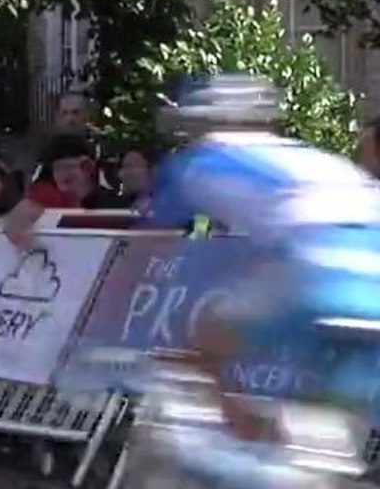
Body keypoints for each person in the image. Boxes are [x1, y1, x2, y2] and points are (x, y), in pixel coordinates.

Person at [147, 73, 380, 444]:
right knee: (339, 395)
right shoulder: (311, 156)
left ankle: (246, 435)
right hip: (371, 273)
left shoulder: (197, 160)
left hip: (312, 268)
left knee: (207, 333)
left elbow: (158, 237)